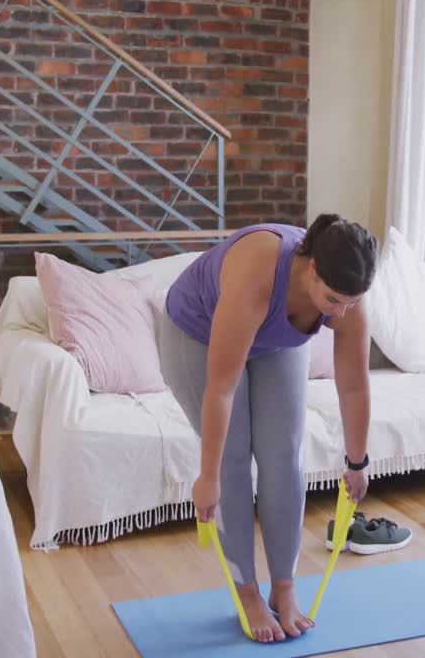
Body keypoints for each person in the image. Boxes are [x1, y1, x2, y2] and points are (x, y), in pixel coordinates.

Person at [159, 213, 379, 643]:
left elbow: (353, 385)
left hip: (274, 339)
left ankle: (284, 587)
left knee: (284, 454)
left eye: (351, 303)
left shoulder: (347, 296)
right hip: (197, 332)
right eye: (334, 300)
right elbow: (220, 391)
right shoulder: (258, 272)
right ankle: (248, 593)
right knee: (233, 461)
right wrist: (206, 476)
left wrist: (357, 462)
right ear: (311, 268)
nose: (342, 313)